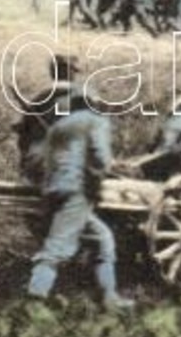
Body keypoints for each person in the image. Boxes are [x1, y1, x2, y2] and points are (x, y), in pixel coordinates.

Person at [24, 77, 134, 311]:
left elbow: (47, 161)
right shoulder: (95, 122)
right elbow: (101, 159)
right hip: (76, 190)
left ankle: (109, 297)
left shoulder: (57, 127)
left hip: (52, 190)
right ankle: (35, 297)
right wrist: (111, 170)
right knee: (57, 247)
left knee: (103, 239)